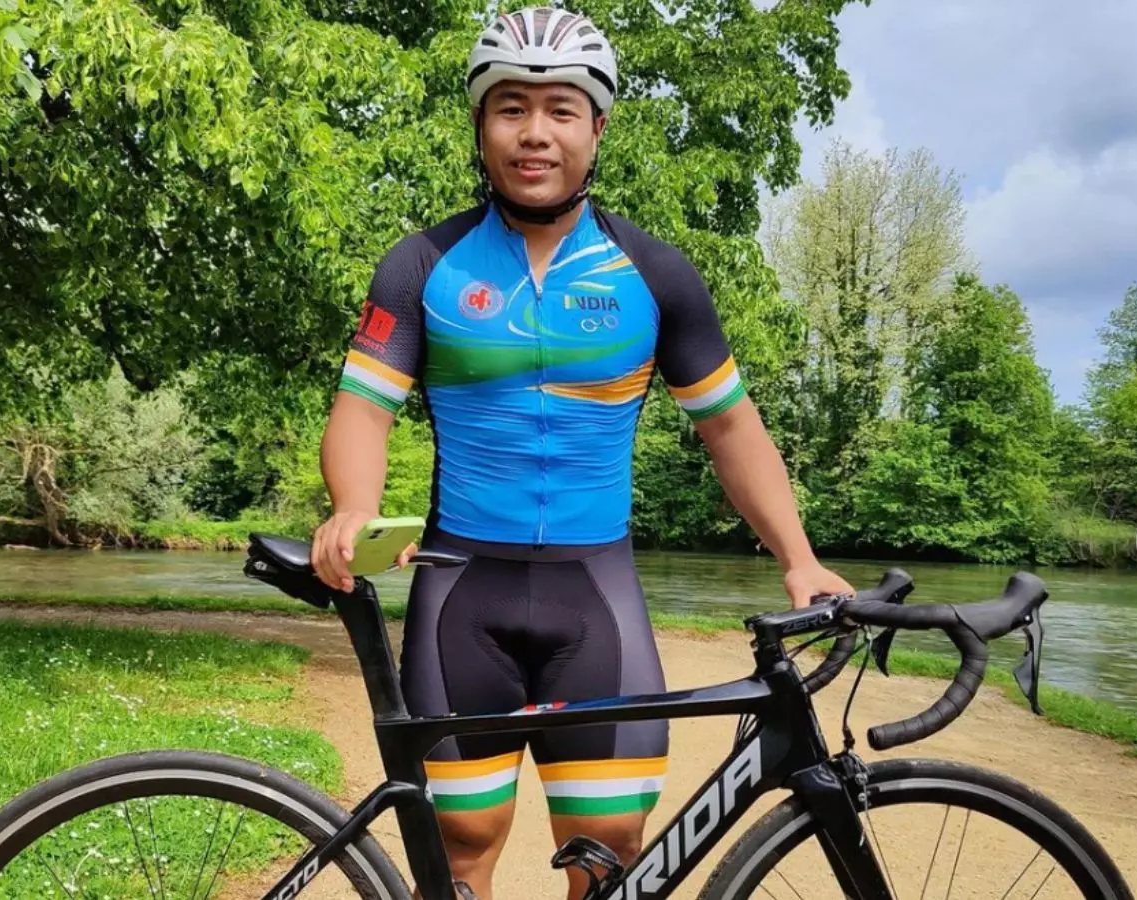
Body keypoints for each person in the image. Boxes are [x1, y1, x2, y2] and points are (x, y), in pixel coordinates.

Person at [311, 7, 854, 898]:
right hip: (462, 600)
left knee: (611, 856)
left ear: (597, 128)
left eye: (560, 110)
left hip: (595, 601)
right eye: (511, 108)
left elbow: (729, 425)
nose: (535, 133)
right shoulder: (422, 265)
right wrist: (354, 509)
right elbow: (364, 409)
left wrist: (799, 560)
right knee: (459, 850)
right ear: (480, 125)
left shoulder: (656, 274)